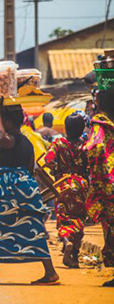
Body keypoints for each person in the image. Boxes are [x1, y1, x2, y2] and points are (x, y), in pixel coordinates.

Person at [0, 98, 59, 285]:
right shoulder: (25, 142)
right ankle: (49, 272)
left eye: (2, 121)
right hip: (24, 192)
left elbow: (1, 138)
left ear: (7, 122)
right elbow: (24, 165)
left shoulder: (8, 139)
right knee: (33, 228)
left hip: (9, 193)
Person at [44, 113, 89, 268]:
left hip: (63, 185)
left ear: (66, 128)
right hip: (82, 185)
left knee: (64, 217)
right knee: (79, 218)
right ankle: (74, 257)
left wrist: (56, 170)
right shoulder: (86, 144)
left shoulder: (59, 143)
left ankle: (66, 240)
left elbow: (48, 161)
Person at [84, 89, 114, 287]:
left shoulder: (100, 122)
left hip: (108, 183)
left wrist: (96, 169)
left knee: (111, 227)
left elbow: (95, 147)